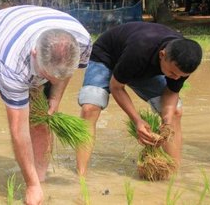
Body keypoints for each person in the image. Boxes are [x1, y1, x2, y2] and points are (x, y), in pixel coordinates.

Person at [0, 5, 92, 204]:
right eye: (46, 76)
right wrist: (30, 186)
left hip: (28, 32)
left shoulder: (83, 42)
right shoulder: (13, 64)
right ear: (34, 53)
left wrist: (55, 98)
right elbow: (19, 131)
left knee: (40, 121)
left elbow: (62, 73)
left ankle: (40, 181)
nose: (51, 81)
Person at [76, 22, 202, 176]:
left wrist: (166, 124)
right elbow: (116, 87)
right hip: (107, 57)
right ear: (162, 55)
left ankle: (172, 174)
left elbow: (171, 92)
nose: (176, 78)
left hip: (139, 68)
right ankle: (80, 175)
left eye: (181, 76)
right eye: (172, 73)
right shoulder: (140, 49)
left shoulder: (183, 62)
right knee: (90, 108)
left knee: (175, 112)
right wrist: (138, 121)